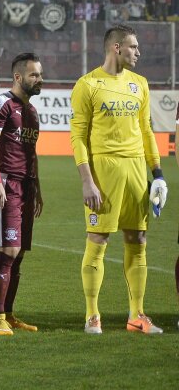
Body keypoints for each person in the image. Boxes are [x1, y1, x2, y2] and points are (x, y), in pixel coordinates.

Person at [70, 24, 167, 335]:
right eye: (133, 47)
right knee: (98, 240)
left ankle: (137, 315)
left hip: (137, 169)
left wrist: (158, 174)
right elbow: (78, 136)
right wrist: (87, 180)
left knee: (138, 240)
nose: (138, 52)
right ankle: (92, 315)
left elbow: (147, 131)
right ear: (116, 48)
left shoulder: (140, 84)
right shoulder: (88, 84)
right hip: (104, 170)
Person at [0, 52, 44, 336]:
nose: (39, 79)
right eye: (34, 74)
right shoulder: (1, 104)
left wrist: (38, 188)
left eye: (40, 74)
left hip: (27, 186)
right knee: (9, 251)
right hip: (6, 184)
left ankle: (8, 314)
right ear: (18, 77)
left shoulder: (31, 112)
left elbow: (32, 153)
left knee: (19, 255)